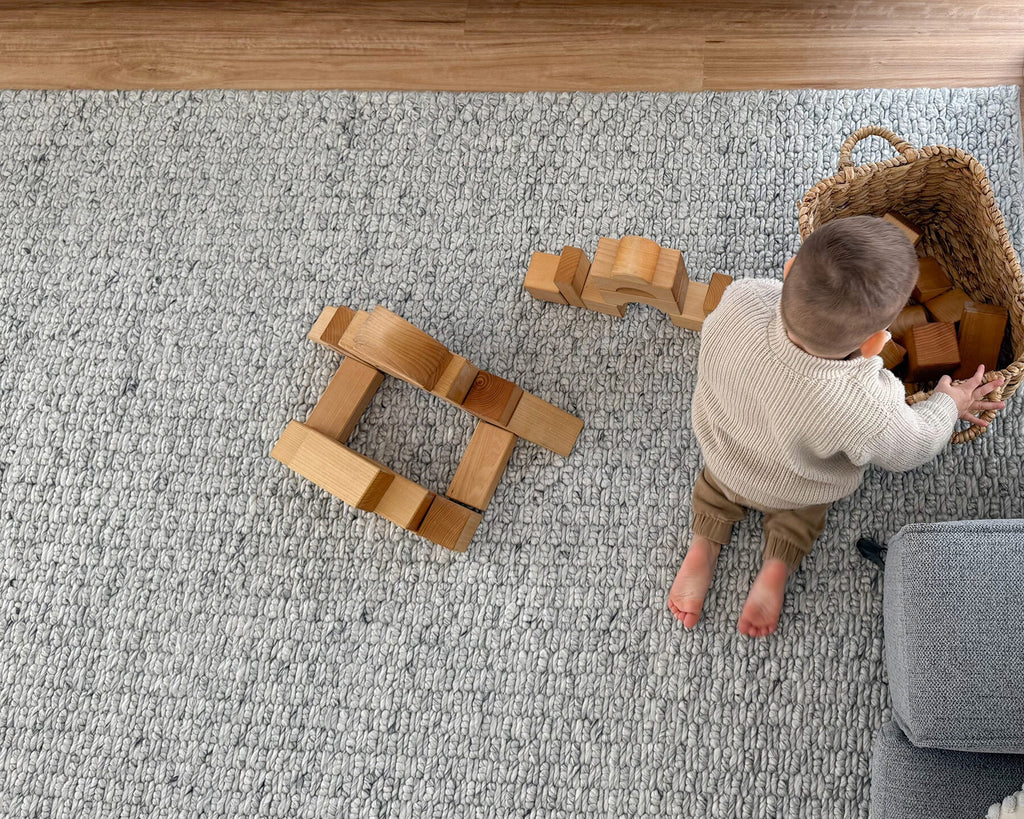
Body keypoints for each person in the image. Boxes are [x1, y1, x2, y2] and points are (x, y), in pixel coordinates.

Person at [668, 215, 1006, 637]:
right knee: (802, 512)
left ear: (789, 269)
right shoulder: (864, 403)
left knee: (715, 486)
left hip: (724, 449)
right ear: (874, 344)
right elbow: (914, 446)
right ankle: (776, 565)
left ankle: (702, 545)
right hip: (793, 486)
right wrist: (948, 403)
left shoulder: (742, 297)